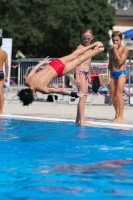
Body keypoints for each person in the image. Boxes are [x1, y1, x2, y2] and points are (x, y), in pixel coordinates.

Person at [18, 41, 104, 106]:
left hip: (59, 70)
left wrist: (75, 94)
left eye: (33, 98)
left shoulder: (42, 89)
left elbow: (61, 91)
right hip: (53, 64)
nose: (35, 97)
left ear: (32, 95)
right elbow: (34, 70)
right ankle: (94, 45)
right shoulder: (27, 81)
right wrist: (43, 62)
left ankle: (96, 51)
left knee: (78, 60)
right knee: (74, 54)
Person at [108, 31, 129, 122]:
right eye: (113, 41)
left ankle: (120, 116)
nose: (115, 42)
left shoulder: (125, 49)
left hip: (121, 73)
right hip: (112, 73)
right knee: (112, 95)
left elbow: (120, 62)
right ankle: (116, 112)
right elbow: (109, 64)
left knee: (119, 95)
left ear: (121, 40)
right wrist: (108, 77)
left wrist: (115, 50)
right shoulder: (110, 50)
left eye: (117, 40)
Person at [75, 28, 95, 126]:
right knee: (83, 96)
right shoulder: (80, 48)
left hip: (86, 73)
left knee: (84, 96)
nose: (85, 41)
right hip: (81, 72)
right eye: (84, 38)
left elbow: (89, 62)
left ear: (92, 38)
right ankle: (82, 120)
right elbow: (77, 63)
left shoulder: (90, 48)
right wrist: (77, 77)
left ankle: (77, 120)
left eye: (87, 39)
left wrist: (90, 74)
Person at [0, 37, 8, 114]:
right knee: (1, 92)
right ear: (1, 44)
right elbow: (7, 65)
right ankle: (1, 111)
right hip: (1, 73)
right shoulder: (4, 53)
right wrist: (7, 76)